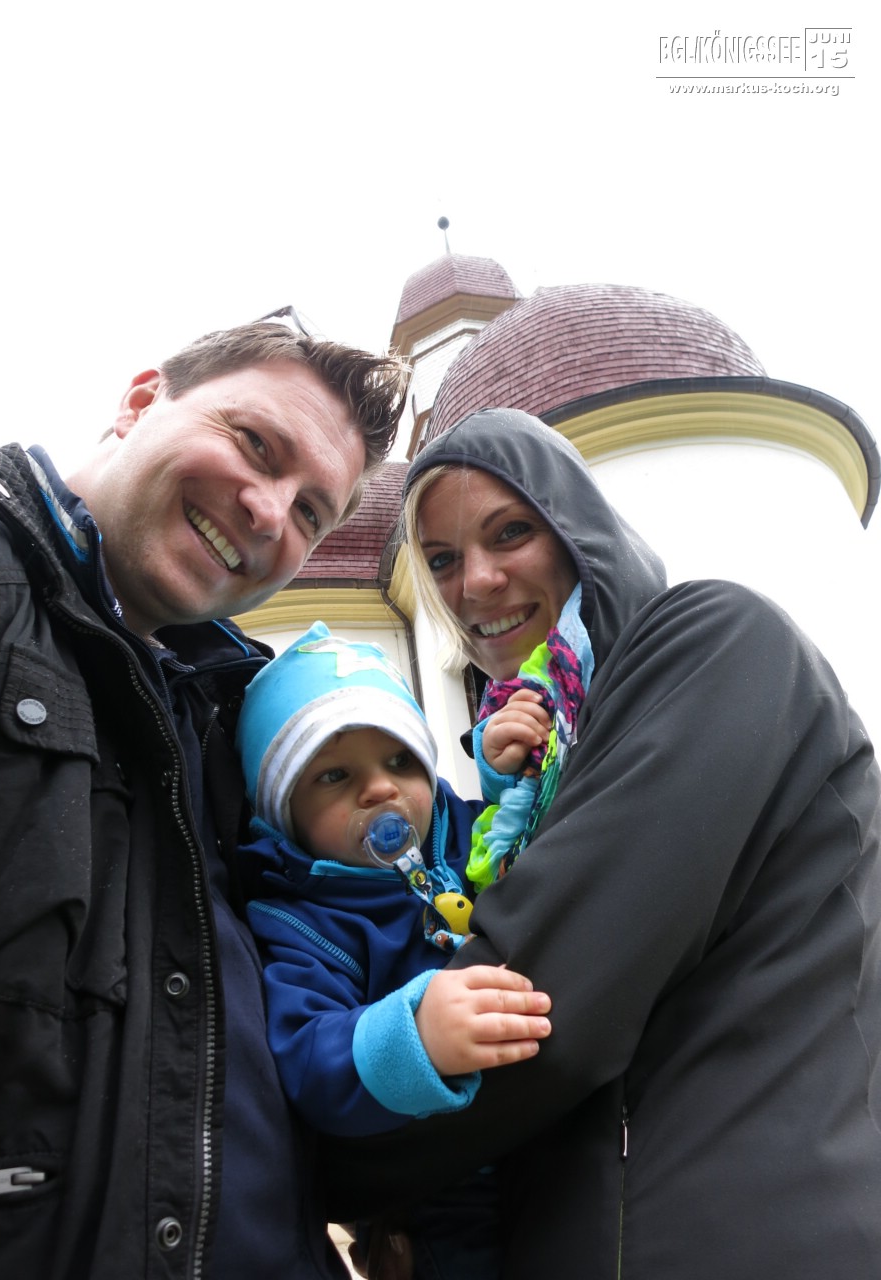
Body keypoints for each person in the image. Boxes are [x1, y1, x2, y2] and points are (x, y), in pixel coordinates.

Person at [324, 407, 881, 1279]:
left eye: (510, 533)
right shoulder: (547, 761)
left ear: (579, 530)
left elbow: (538, 1007)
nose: (475, 583)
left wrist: (312, 1162)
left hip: (734, 1235)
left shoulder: (714, 640)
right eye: (442, 561)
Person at [0, 320, 409, 1279]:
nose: (268, 512)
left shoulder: (246, 733)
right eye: (255, 445)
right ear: (142, 401)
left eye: (312, 512)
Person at [236, 619, 552, 1280]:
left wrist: (506, 783)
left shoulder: (458, 836)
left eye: (401, 761)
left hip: (553, 1134)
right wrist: (413, 1035)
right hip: (446, 1193)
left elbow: (528, 857)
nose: (381, 788)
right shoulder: (301, 920)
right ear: (282, 812)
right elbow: (307, 1056)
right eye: (334, 775)